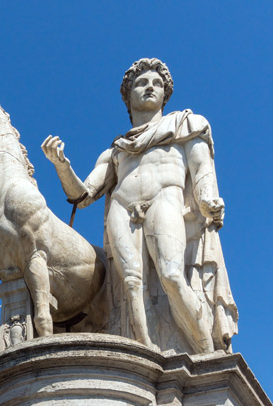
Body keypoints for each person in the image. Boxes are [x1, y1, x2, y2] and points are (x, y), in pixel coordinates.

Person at [42, 58, 237, 353]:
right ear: (128, 95)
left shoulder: (185, 124)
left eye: (157, 84)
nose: (150, 88)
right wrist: (61, 166)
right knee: (130, 285)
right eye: (142, 83)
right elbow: (83, 196)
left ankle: (207, 353)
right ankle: (146, 351)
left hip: (166, 198)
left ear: (165, 93)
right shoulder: (116, 150)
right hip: (123, 207)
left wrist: (209, 199)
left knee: (172, 276)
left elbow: (202, 172)